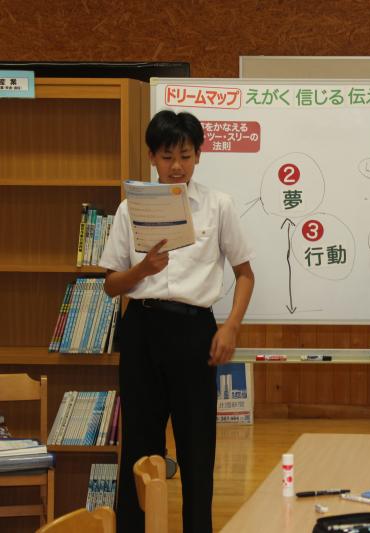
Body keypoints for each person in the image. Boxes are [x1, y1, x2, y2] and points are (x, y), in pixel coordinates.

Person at [99, 110, 255, 533]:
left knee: (197, 446)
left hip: (194, 331)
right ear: (152, 157)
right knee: (139, 445)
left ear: (198, 156)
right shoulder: (130, 209)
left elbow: (245, 274)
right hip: (142, 329)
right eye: (167, 157)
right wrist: (142, 270)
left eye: (185, 156)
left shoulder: (219, 206)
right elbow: (111, 285)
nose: (177, 166)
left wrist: (231, 326)